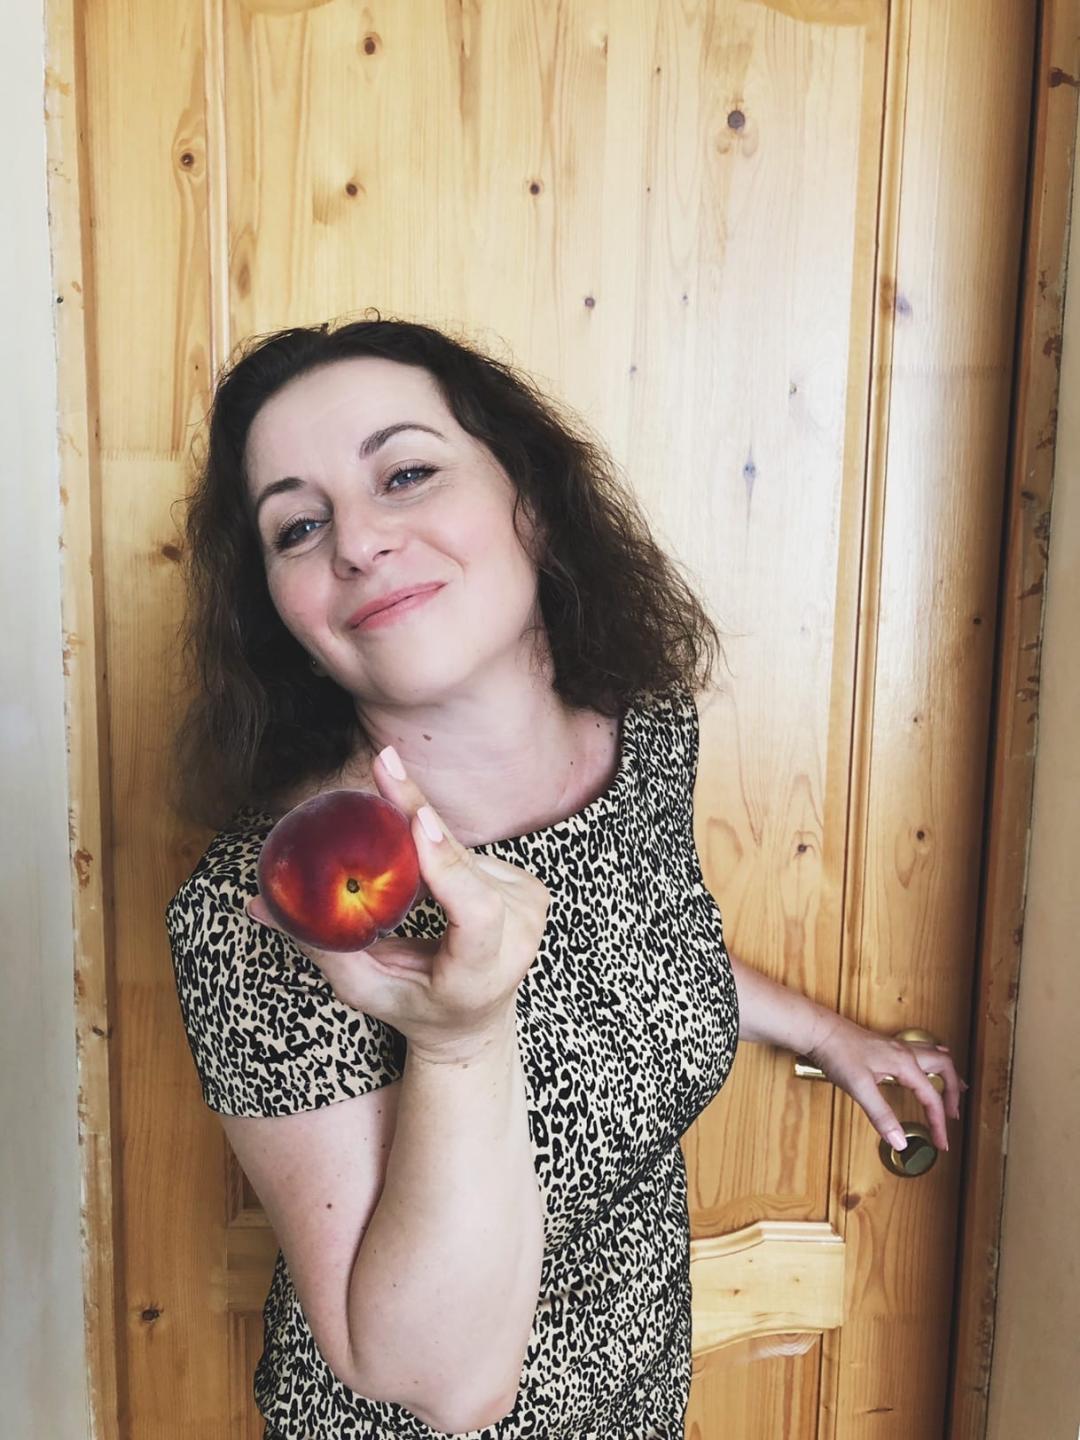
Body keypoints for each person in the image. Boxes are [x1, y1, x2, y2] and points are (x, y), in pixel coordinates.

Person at [165, 317, 964, 1440]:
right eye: (298, 526)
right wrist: (461, 1039)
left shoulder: (645, 737)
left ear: (531, 501)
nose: (358, 543)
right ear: (282, 612)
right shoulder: (266, 911)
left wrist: (825, 1031)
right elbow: (443, 1387)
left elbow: (647, 944)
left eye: (405, 474)